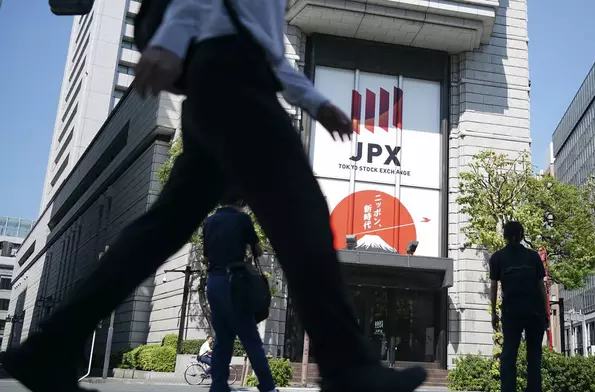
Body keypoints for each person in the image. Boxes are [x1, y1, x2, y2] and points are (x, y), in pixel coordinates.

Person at [4, 1, 426, 392]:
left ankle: (50, 346)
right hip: (232, 79)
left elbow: (266, 46)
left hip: (224, 81)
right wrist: (172, 38)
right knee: (304, 220)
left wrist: (315, 102)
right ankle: (347, 366)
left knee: (160, 230)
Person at [203, 195, 276, 392]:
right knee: (250, 338)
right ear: (241, 202)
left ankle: (218, 386)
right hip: (234, 282)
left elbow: (206, 254)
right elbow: (258, 250)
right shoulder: (241, 219)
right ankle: (268, 387)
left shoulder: (209, 222)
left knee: (223, 339)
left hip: (213, 282)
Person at [490, 221, 549, 392]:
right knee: (534, 356)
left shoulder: (497, 258)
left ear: (505, 236)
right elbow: (541, 287)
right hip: (534, 311)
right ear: (522, 235)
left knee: (509, 355)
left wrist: (493, 313)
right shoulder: (533, 257)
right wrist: (545, 313)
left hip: (511, 311)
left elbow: (494, 287)